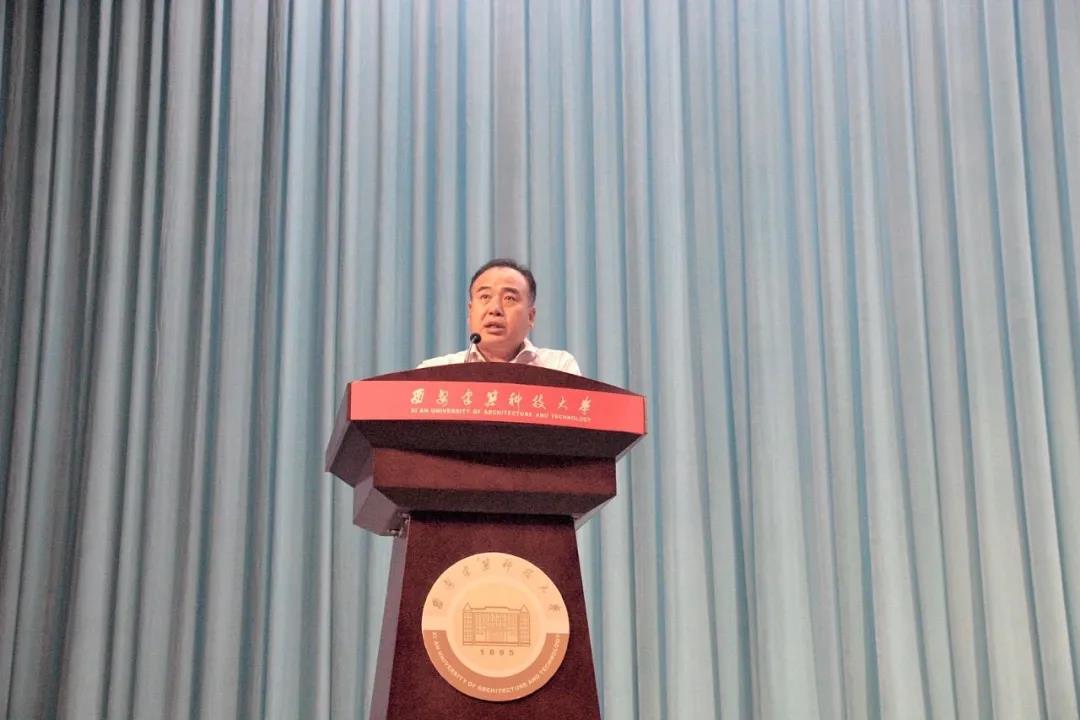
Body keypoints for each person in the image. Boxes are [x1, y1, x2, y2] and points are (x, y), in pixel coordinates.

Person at [417, 258, 581, 375]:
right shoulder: (434, 373)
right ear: (470, 312)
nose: (495, 309)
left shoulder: (557, 367)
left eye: (509, 298)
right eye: (485, 297)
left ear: (530, 317)